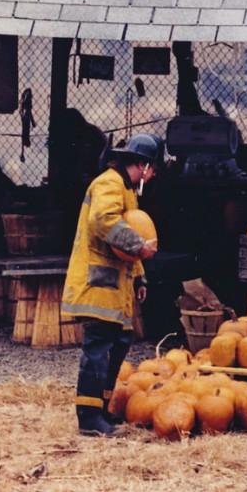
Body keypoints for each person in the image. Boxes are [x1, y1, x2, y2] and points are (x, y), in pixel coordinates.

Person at [64, 130, 163, 435]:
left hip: (116, 286)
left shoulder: (127, 190)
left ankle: (102, 409)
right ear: (144, 165)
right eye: (154, 168)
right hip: (98, 283)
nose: (154, 175)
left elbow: (129, 234)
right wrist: (138, 247)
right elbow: (103, 220)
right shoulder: (108, 183)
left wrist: (139, 275)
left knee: (117, 344)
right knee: (98, 347)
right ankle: (88, 417)